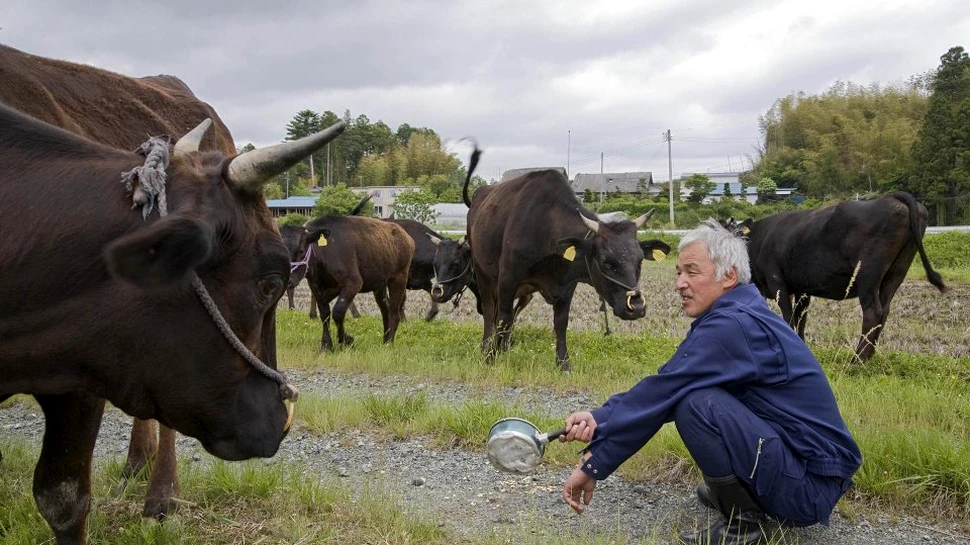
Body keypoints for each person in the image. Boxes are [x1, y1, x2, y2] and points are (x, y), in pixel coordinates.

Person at [559, 219, 862, 545]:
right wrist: (600, 418)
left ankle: (744, 524)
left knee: (695, 404)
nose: (680, 283)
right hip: (807, 472)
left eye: (692, 272)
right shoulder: (739, 310)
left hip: (808, 488)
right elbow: (669, 381)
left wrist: (593, 463)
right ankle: (739, 493)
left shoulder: (734, 325)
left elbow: (666, 391)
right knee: (693, 394)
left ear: (728, 276)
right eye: (678, 272)